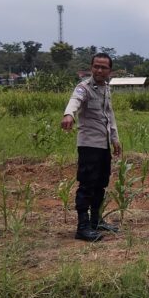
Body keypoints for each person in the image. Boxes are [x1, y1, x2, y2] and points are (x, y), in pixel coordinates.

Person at [61, 52, 122, 241]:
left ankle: (96, 221)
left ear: (109, 71)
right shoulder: (84, 88)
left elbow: (109, 116)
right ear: (91, 67)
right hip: (89, 145)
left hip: (103, 146)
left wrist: (115, 139)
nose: (99, 70)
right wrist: (69, 115)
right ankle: (82, 227)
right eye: (96, 66)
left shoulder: (106, 89)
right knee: (87, 185)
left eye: (103, 67)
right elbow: (75, 101)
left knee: (101, 184)